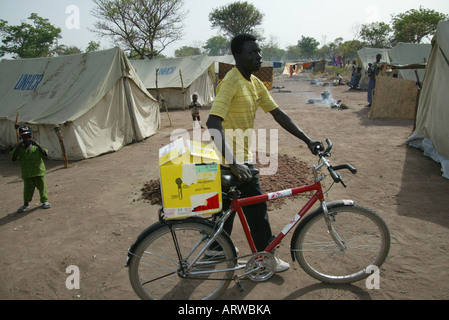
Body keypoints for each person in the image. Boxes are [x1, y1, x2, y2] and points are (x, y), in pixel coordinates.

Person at [206, 34, 323, 273]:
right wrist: (234, 162)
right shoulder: (231, 82)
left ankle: (215, 249)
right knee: (258, 211)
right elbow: (212, 123)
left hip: (234, 158)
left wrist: (307, 140)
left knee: (226, 210)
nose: (258, 57)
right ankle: (264, 258)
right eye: (251, 53)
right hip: (233, 160)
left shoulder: (254, 82)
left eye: (259, 52)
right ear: (237, 56)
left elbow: (278, 114)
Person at [10, 126, 51, 213]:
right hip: (27, 174)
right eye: (24, 137)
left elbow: (45, 154)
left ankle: (45, 201)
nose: (27, 139)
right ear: (20, 138)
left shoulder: (36, 147)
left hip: (38, 172)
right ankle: (26, 204)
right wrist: (18, 147)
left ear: (33, 137)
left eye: (29, 136)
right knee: (27, 190)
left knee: (42, 187)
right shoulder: (20, 149)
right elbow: (13, 158)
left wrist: (37, 144)